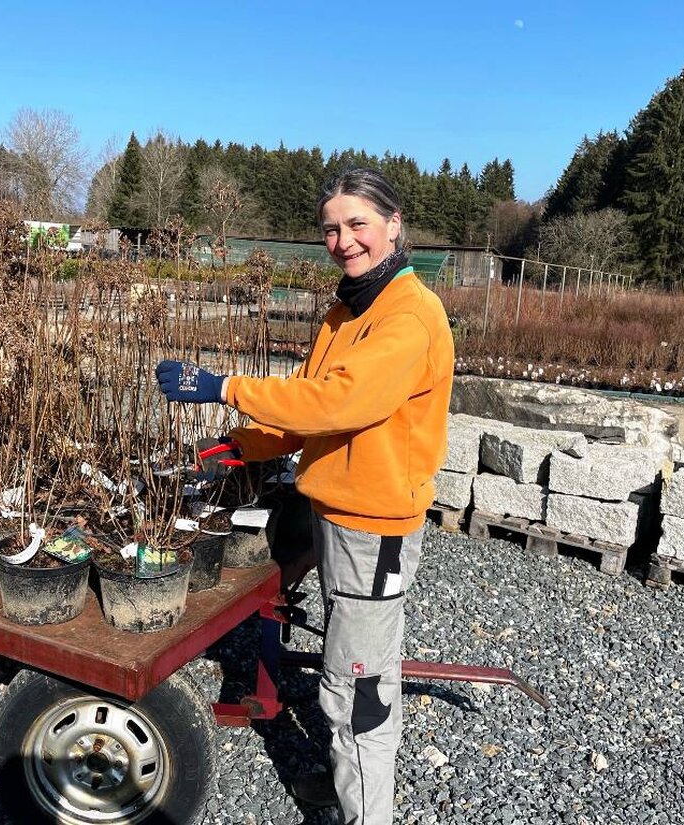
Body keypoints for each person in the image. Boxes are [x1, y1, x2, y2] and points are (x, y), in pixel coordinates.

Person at [156, 168, 454, 824]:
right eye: (331, 228)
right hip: (337, 510)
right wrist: (244, 442)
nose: (344, 240)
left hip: (374, 526)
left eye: (358, 224)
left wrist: (226, 385)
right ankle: (347, 780)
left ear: (393, 224)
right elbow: (307, 399)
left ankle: (365, 811)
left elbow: (344, 399)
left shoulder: (409, 314)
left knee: (359, 687)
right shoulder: (349, 309)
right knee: (348, 665)